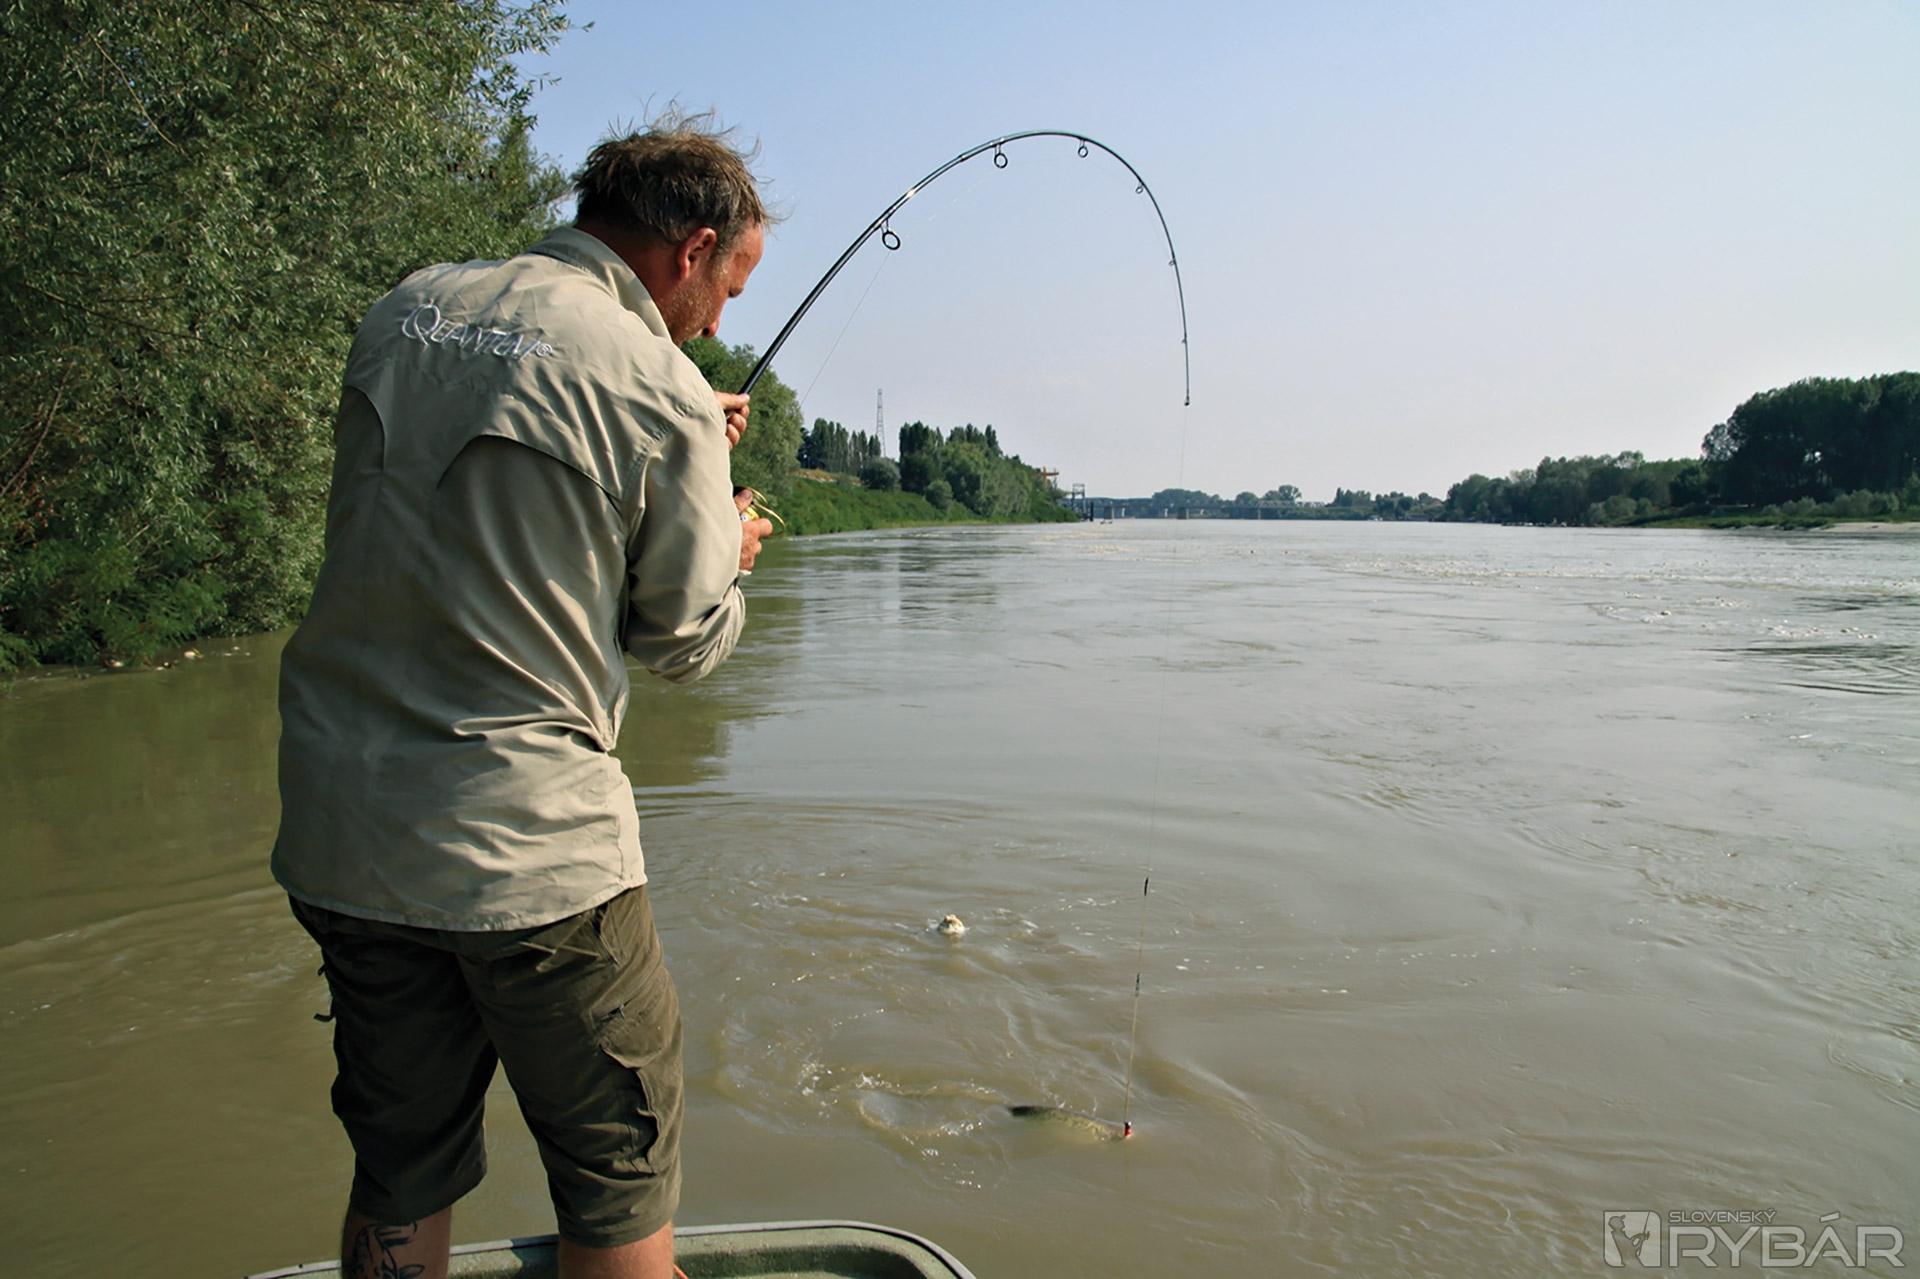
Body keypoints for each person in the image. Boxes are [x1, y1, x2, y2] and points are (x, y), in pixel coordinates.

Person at [272, 117, 776, 1279]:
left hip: (345, 837)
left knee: (397, 1166)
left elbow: (491, 488)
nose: (719, 321)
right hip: (531, 854)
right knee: (617, 1180)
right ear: (690, 249)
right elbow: (679, 639)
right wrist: (729, 535)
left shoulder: (405, 310)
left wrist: (686, 434)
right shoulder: (663, 382)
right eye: (728, 287)